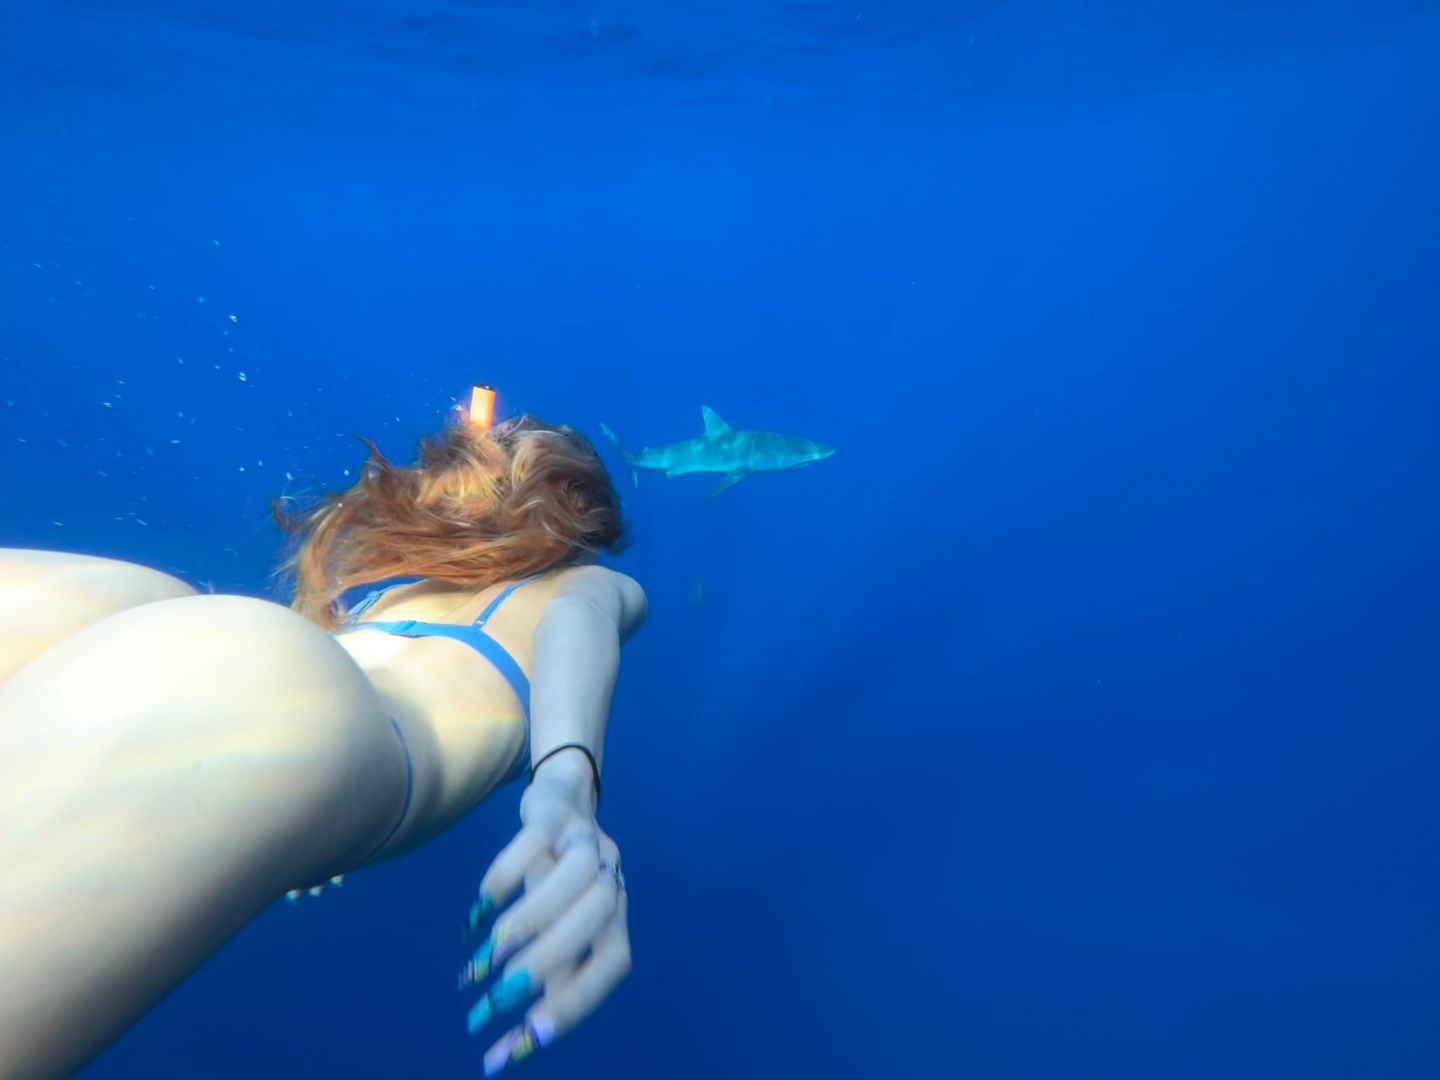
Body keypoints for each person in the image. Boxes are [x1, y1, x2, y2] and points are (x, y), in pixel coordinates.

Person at [0, 407, 646, 1078]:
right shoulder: (558, 584)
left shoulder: (482, 586)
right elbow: (577, 622)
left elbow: (579, 618)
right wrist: (565, 782)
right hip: (285, 705)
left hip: (153, 611)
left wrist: (564, 774)